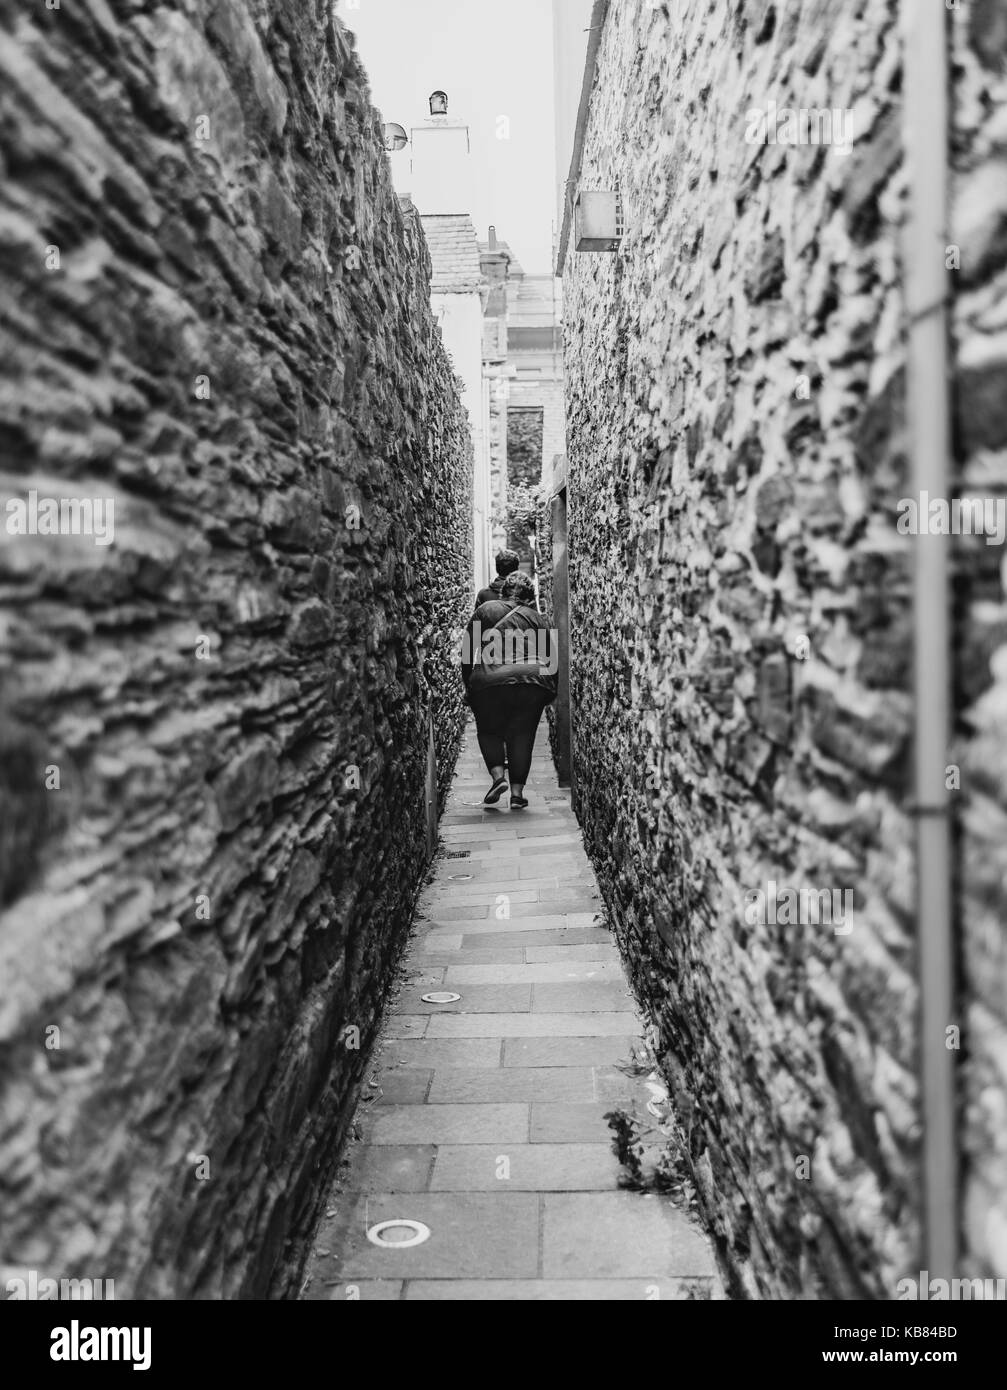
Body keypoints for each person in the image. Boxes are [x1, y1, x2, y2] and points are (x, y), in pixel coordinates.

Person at [462, 572, 558, 810]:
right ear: (530, 596)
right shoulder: (538, 618)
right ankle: (517, 794)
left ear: (504, 590)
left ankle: (497, 778)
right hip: (531, 682)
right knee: (523, 735)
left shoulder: (486, 610)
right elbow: (551, 660)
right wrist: (550, 691)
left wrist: (470, 685)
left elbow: (467, 652)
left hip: (489, 680)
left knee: (489, 730)